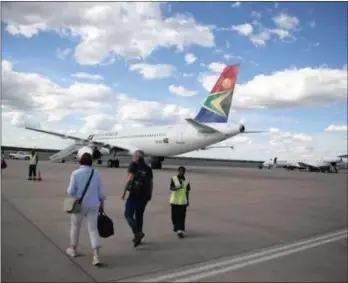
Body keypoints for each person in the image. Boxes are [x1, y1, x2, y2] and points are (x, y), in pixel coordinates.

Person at [65, 146, 106, 267]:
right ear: (91, 162)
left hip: (79, 205)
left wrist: (76, 194)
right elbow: (101, 193)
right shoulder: (96, 173)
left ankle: (73, 249)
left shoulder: (76, 173)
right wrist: (102, 203)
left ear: (80, 161)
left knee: (75, 227)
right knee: (93, 230)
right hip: (93, 205)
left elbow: (70, 191)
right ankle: (96, 256)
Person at [121, 150, 153, 247]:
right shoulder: (148, 168)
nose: (133, 157)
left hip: (134, 194)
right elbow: (151, 183)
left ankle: (137, 232)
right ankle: (139, 235)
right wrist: (150, 194)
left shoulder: (134, 165)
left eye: (134, 155)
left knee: (128, 215)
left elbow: (129, 179)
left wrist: (123, 192)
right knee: (139, 215)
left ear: (138, 156)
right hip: (144, 196)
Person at [170, 166, 191, 239]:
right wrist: (178, 187)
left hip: (183, 201)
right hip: (174, 201)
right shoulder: (174, 179)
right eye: (180, 171)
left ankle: (180, 230)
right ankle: (176, 225)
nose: (181, 172)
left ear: (184, 172)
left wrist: (188, 200)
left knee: (182, 217)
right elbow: (171, 188)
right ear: (178, 171)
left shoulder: (186, 180)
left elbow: (187, 191)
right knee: (174, 216)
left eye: (183, 171)